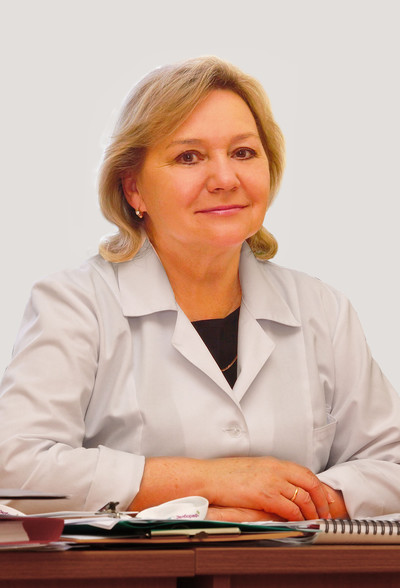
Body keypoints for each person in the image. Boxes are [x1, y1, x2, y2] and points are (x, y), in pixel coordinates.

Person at [1, 56, 399, 521]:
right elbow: (17, 468)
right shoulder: (75, 304)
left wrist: (275, 508)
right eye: (189, 157)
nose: (226, 179)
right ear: (133, 189)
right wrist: (212, 482)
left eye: (243, 153)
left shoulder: (322, 310)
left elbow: (390, 463)